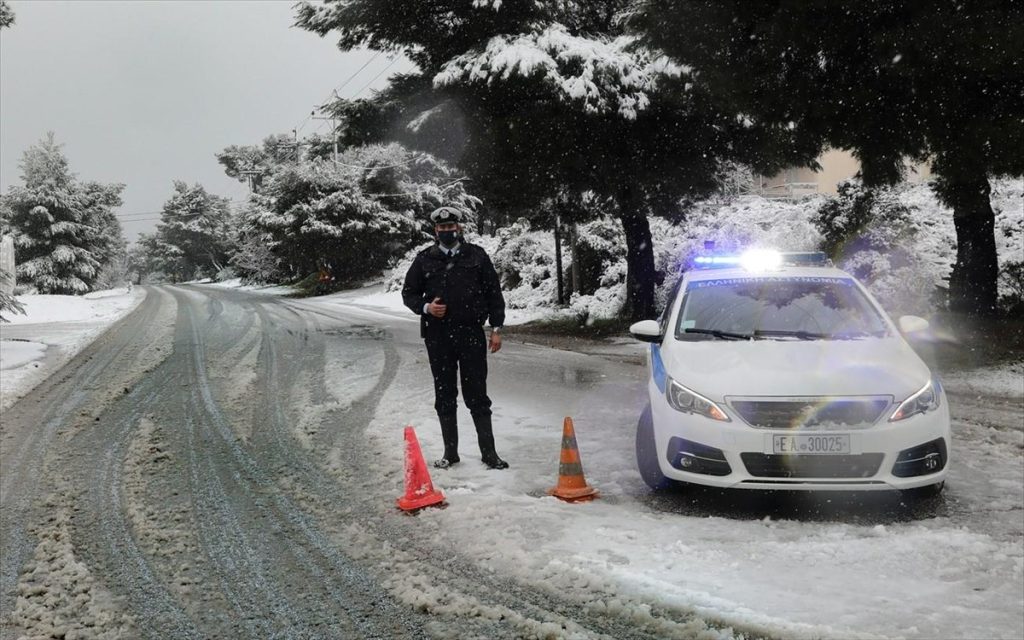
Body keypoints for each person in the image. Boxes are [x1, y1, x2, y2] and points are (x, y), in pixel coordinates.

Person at [401, 206, 509, 470]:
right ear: (435, 231)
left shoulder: (477, 256)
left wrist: (496, 328)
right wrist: (427, 308)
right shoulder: (425, 259)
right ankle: (451, 453)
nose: (447, 232)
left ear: (458, 228)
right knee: (445, 393)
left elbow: (493, 293)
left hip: (471, 333)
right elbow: (409, 293)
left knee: (477, 395)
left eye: (451, 228)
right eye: (442, 229)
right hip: (438, 337)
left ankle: (489, 453)